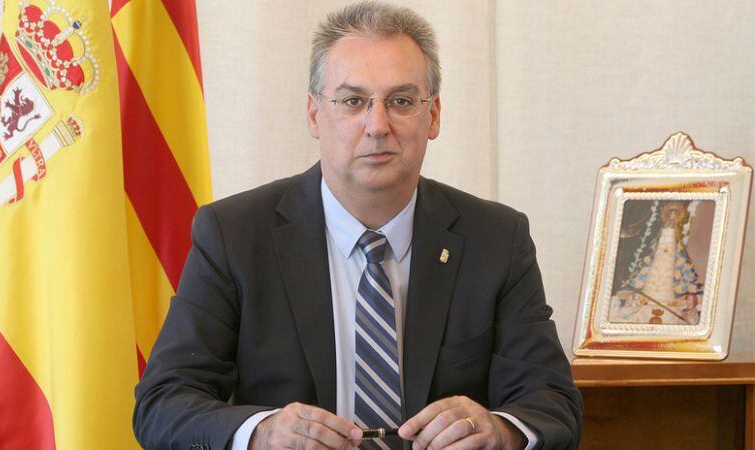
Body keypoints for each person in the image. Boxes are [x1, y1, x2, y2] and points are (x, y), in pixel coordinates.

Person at [133, 2, 583, 449]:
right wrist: (261, 433)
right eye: (353, 101)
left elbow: (553, 403)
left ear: (433, 115)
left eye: (401, 101)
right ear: (314, 114)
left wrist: (501, 431)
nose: (377, 125)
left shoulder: (496, 239)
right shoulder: (233, 235)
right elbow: (163, 404)